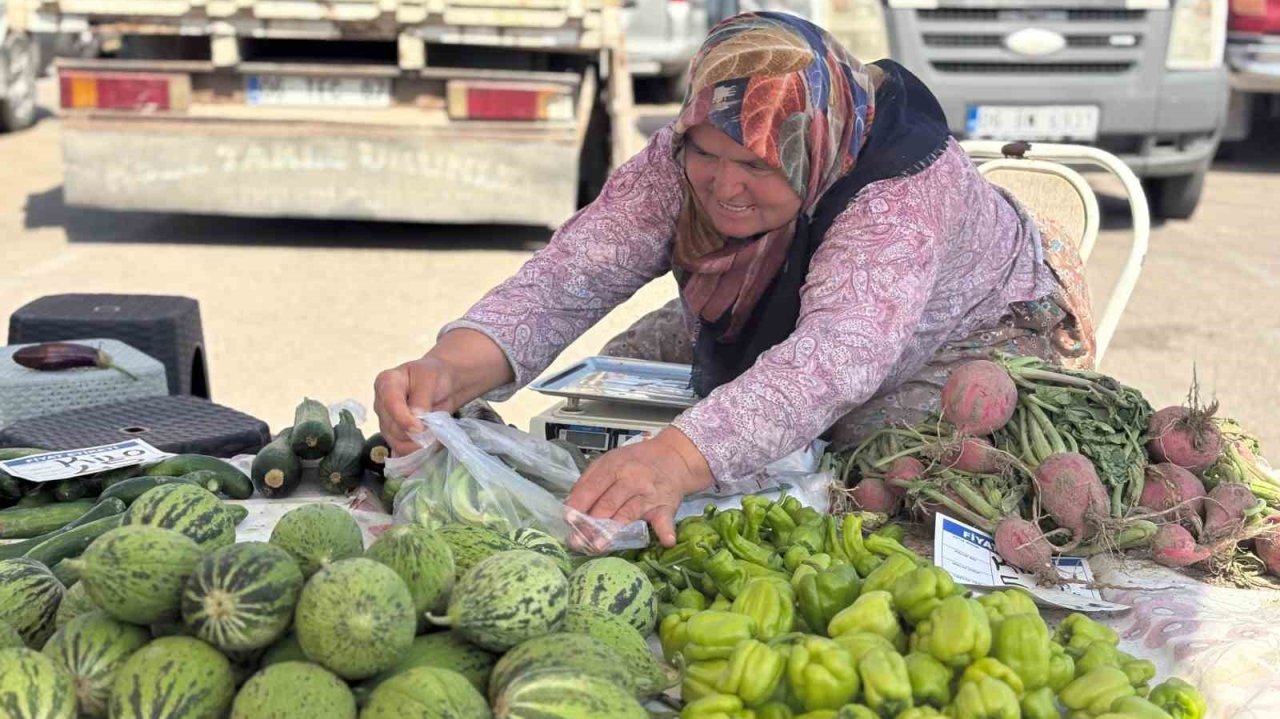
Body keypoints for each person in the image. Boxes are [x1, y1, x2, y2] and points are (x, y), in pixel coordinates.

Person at [373, 12, 1095, 547]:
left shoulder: (898, 195)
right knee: (604, 401)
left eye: (758, 168)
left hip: (967, 329)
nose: (724, 187)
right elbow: (573, 273)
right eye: (708, 157)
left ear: (813, 151)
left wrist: (679, 460)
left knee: (862, 470)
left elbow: (838, 356)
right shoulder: (696, 142)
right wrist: (452, 363)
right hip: (779, 306)